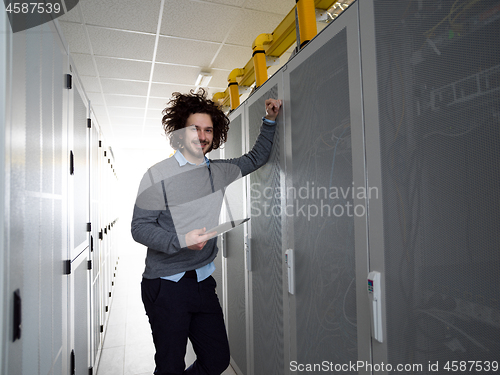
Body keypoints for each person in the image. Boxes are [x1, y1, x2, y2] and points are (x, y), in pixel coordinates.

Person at [131, 88, 281, 375]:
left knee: (217, 360)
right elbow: (139, 228)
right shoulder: (157, 175)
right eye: (194, 129)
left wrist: (270, 120)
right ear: (179, 133)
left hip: (202, 281)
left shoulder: (219, 171)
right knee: (170, 365)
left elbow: (255, 158)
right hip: (166, 285)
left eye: (208, 130)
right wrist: (180, 241)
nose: (202, 136)